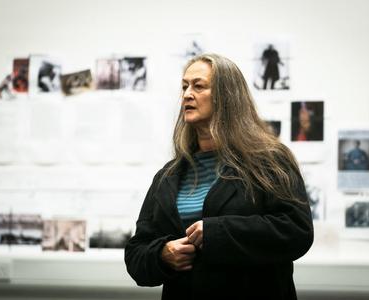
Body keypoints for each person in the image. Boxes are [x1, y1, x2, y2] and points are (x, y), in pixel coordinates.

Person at [125, 54, 313, 300]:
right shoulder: (168, 176)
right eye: (184, 87)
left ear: (227, 96)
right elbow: (137, 253)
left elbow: (296, 231)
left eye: (198, 86)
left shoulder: (269, 161)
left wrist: (217, 233)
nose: (187, 95)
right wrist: (162, 254)